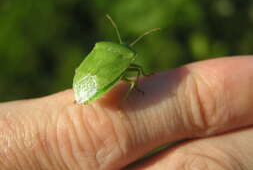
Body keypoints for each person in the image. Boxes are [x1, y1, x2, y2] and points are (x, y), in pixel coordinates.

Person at [0, 56, 252, 170]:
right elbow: (134, 73)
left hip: (86, 80)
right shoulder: (127, 66)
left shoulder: (116, 58)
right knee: (131, 83)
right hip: (93, 87)